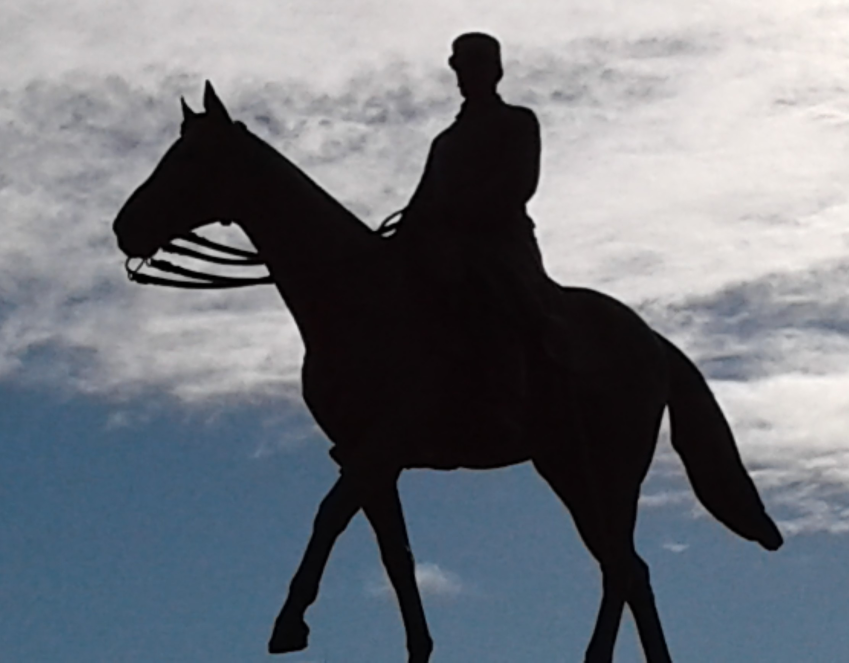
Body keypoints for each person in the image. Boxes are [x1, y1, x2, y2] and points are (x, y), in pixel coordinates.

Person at [398, 32, 560, 360]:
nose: (465, 76)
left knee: (501, 305)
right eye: (460, 68)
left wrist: (456, 213)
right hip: (444, 245)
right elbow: (421, 203)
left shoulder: (516, 121)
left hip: (499, 242)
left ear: (494, 71)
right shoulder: (445, 141)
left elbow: (518, 184)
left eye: (474, 66)